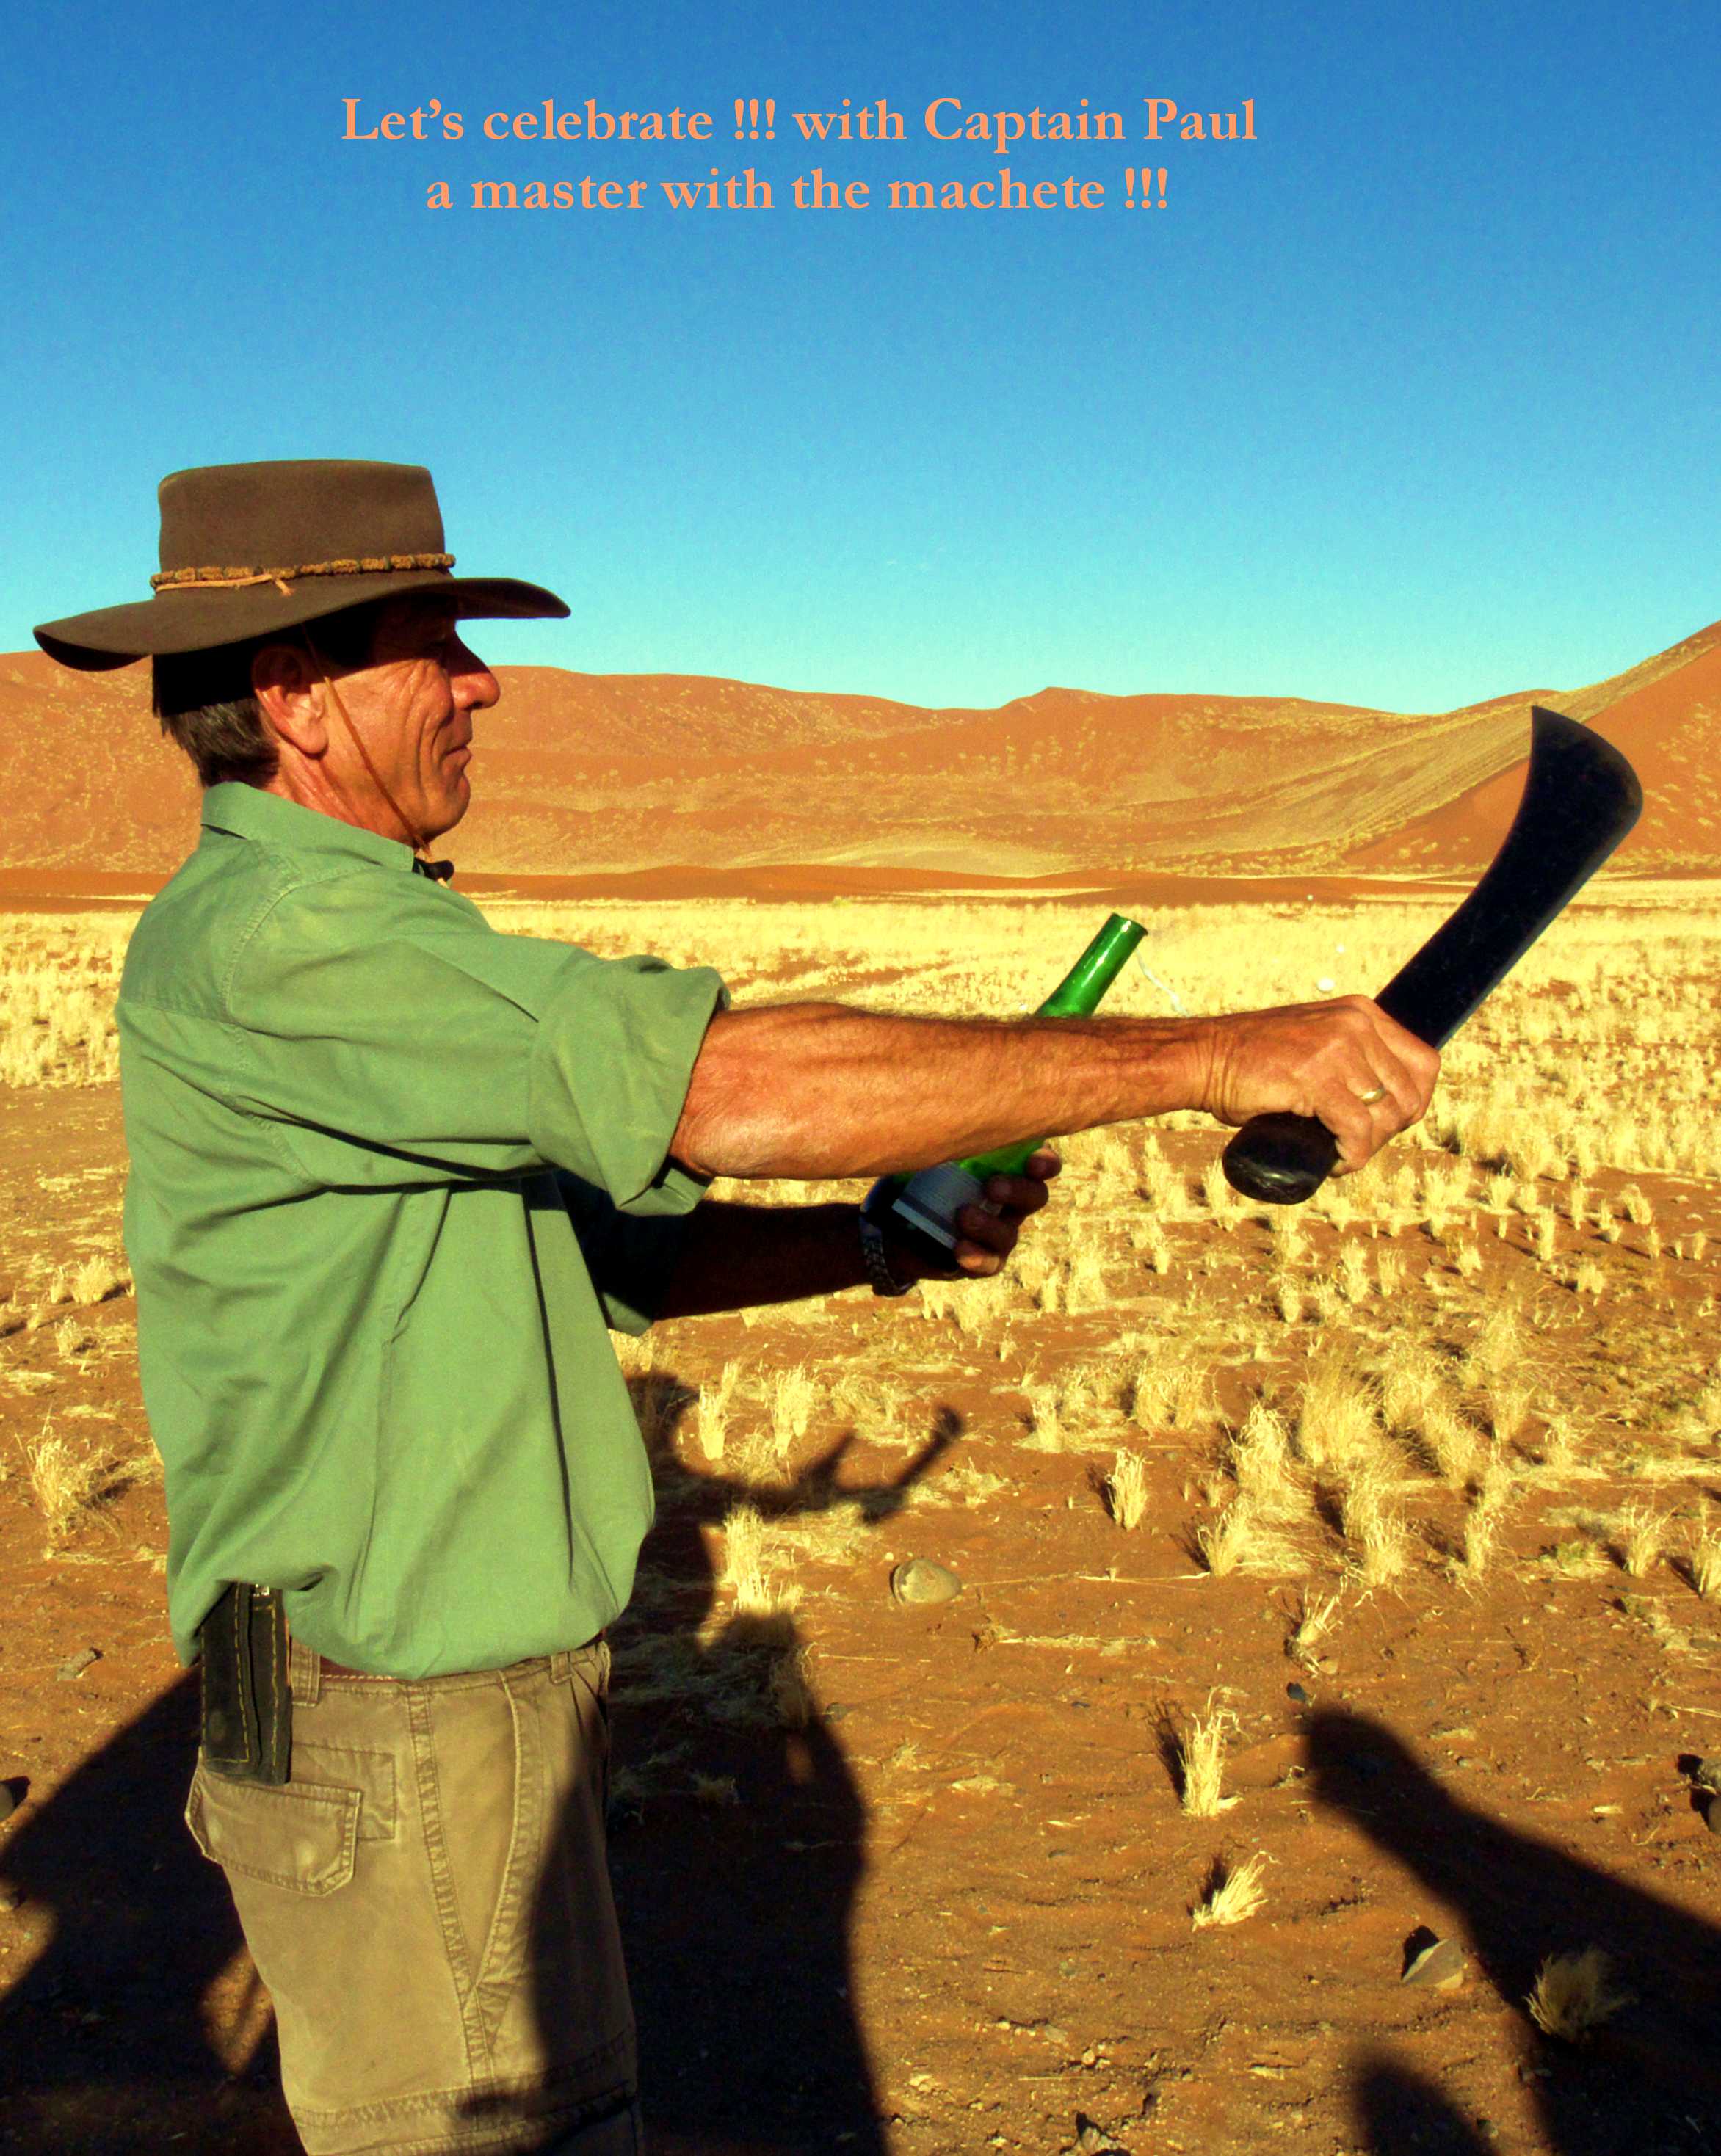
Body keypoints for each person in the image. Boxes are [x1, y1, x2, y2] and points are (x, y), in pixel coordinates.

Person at [34, 460, 1438, 2155]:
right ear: (294, 694)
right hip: (396, 1721)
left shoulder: (334, 941)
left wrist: (875, 1237)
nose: (483, 682)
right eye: (434, 644)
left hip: (385, 1707)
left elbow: (598, 1250)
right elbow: (718, 1088)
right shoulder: (291, 937)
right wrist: (1210, 1055)